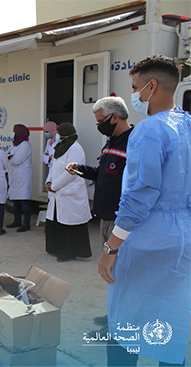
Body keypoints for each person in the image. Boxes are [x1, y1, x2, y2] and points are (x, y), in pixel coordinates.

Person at [98, 55, 191, 366]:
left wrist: (111, 246)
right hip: (183, 239)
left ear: (152, 86)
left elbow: (140, 194)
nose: (134, 94)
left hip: (148, 239)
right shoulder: (187, 124)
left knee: (127, 321)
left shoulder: (148, 130)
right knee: (173, 318)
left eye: (135, 87)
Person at [66, 96, 133, 334]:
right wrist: (82, 170)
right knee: (112, 274)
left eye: (100, 121)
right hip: (105, 218)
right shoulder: (110, 142)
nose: (98, 127)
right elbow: (104, 174)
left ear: (115, 117)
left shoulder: (132, 143)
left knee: (121, 274)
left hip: (120, 220)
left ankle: (119, 325)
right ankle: (113, 315)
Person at [45, 122, 91, 262]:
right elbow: (54, 166)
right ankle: (56, 249)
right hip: (58, 191)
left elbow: (70, 172)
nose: (57, 134)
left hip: (69, 191)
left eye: (59, 132)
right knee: (57, 221)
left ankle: (70, 252)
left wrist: (55, 185)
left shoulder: (76, 149)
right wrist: (49, 181)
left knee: (70, 225)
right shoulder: (59, 147)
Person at [6, 124, 33, 232]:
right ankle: (17, 221)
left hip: (23, 176)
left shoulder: (25, 145)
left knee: (24, 201)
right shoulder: (14, 144)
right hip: (15, 176)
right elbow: (6, 155)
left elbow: (16, 160)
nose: (12, 133)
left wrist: (11, 158)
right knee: (16, 201)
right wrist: (10, 157)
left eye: (14, 131)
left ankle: (26, 223)